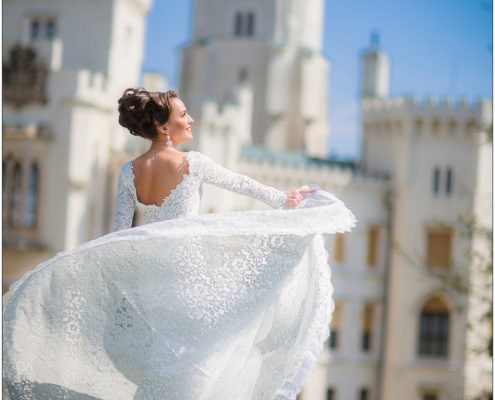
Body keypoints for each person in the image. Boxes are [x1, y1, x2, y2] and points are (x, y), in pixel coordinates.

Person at [3, 88, 356, 400]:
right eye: (183, 115)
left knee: (173, 361)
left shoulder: (129, 171)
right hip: (190, 283)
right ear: (162, 127)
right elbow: (244, 185)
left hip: (149, 289)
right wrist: (285, 199)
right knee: (211, 352)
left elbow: (119, 237)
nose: (191, 119)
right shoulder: (192, 163)